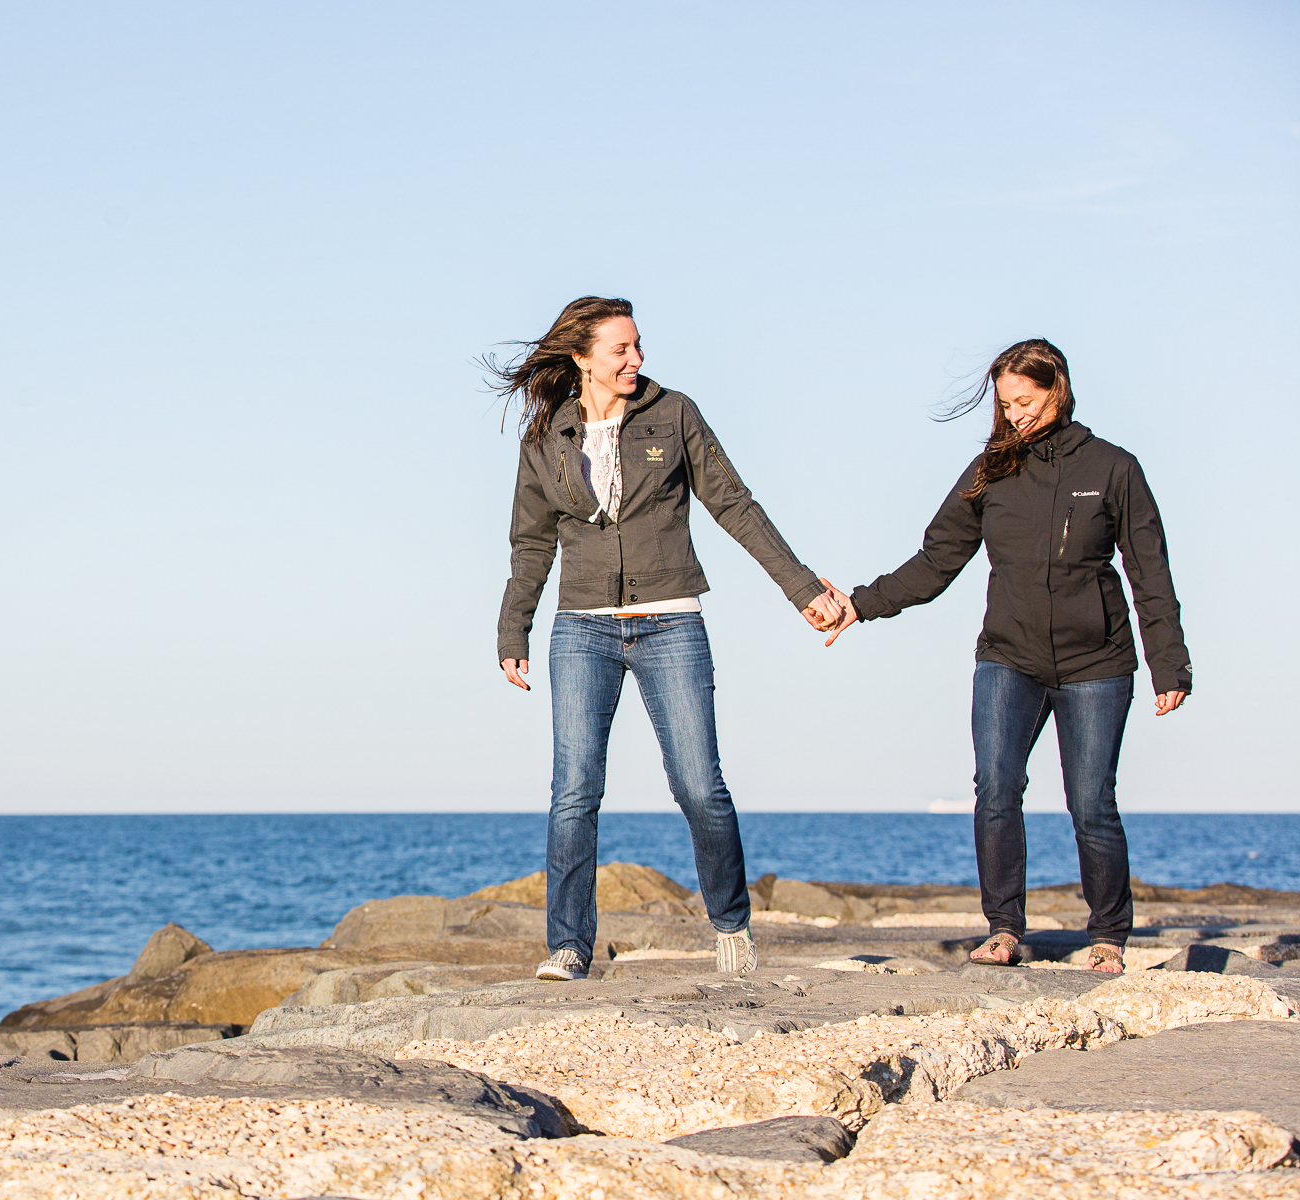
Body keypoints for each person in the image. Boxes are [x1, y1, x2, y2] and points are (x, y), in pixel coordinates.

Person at [492, 296, 842, 982]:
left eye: (637, 346)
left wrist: (802, 589)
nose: (635, 360)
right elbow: (530, 544)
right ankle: (568, 946)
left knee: (697, 785)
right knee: (574, 790)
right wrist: (514, 626)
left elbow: (734, 504)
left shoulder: (673, 413)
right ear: (582, 357)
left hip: (672, 619)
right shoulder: (546, 438)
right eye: (620, 349)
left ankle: (731, 927)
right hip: (582, 627)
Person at [817, 339, 1191, 973]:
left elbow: (1148, 573)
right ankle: (1004, 928)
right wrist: (859, 604)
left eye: (1026, 400)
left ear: (1058, 389)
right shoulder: (990, 471)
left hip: (1097, 663)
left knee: (1091, 802)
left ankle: (1107, 936)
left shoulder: (1113, 469)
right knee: (994, 788)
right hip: (1008, 656)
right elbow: (936, 562)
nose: (1015, 413)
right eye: (1006, 403)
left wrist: (1169, 663)